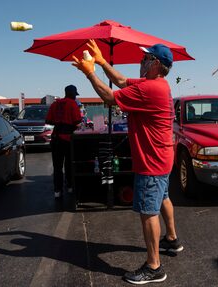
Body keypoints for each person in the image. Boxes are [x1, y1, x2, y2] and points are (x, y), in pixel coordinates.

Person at [72, 40, 183, 285]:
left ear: (155, 64)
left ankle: (154, 266)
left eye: (145, 59)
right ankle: (172, 239)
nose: (141, 62)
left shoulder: (150, 89)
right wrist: (102, 62)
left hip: (151, 161)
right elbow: (122, 82)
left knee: (148, 211)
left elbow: (110, 97)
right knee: (163, 197)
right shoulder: (156, 85)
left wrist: (89, 72)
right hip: (163, 157)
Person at [45, 85, 82, 198]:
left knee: (57, 167)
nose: (75, 97)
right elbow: (77, 122)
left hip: (56, 138)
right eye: (75, 95)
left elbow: (48, 121)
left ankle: (57, 191)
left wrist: (59, 122)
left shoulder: (55, 104)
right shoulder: (72, 104)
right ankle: (70, 187)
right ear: (72, 94)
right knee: (69, 164)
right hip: (68, 139)